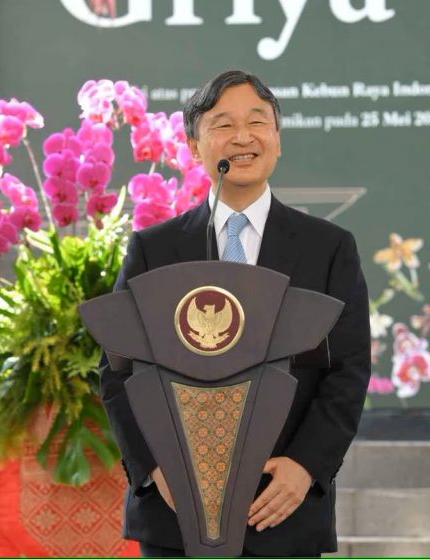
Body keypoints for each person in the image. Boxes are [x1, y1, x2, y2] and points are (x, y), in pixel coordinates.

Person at [100, 70, 370, 557]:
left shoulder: (328, 249)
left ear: (277, 139)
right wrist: (155, 467)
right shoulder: (154, 248)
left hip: (280, 507)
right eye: (222, 124)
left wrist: (305, 467)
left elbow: (347, 371)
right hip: (174, 512)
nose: (243, 137)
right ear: (194, 145)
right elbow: (117, 374)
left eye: (258, 122)